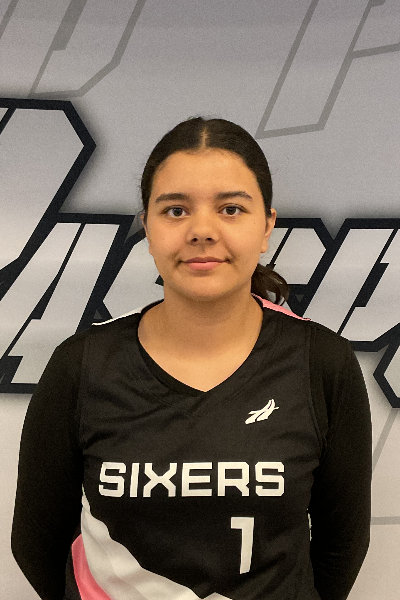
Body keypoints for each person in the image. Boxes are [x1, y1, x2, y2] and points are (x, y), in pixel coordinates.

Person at [12, 117, 372, 600]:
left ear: (267, 225)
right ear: (147, 225)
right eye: (176, 210)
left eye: (231, 209)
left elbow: (341, 546)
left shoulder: (322, 363)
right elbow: (36, 541)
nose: (202, 230)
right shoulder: (81, 365)